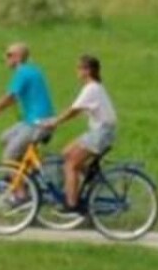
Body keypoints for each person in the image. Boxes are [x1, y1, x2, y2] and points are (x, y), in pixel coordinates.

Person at [0, 42, 55, 200]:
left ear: (18, 57)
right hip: (33, 121)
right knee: (5, 137)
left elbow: (9, 97)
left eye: (9, 55)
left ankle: (21, 196)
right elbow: (12, 99)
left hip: (39, 123)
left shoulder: (23, 72)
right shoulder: (30, 70)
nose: (6, 58)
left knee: (9, 155)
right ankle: (21, 177)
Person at [42, 53, 118, 213]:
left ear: (88, 70)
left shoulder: (91, 88)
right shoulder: (94, 87)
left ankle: (71, 203)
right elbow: (76, 111)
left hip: (101, 132)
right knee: (66, 153)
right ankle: (90, 178)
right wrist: (56, 121)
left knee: (71, 164)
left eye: (79, 68)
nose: (77, 71)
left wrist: (55, 122)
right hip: (100, 131)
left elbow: (74, 110)